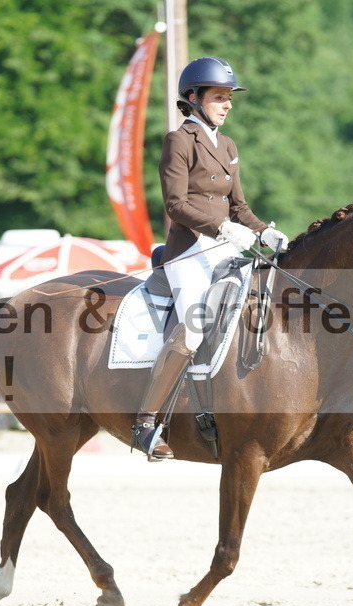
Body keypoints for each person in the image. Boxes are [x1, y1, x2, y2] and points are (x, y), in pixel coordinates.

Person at [131, 56, 287, 459]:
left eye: (229, 97)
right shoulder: (179, 141)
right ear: (193, 98)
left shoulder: (228, 145)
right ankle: (146, 423)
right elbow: (175, 204)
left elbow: (239, 207)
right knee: (196, 326)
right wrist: (221, 229)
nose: (228, 104)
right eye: (219, 97)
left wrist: (263, 230)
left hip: (226, 249)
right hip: (189, 253)